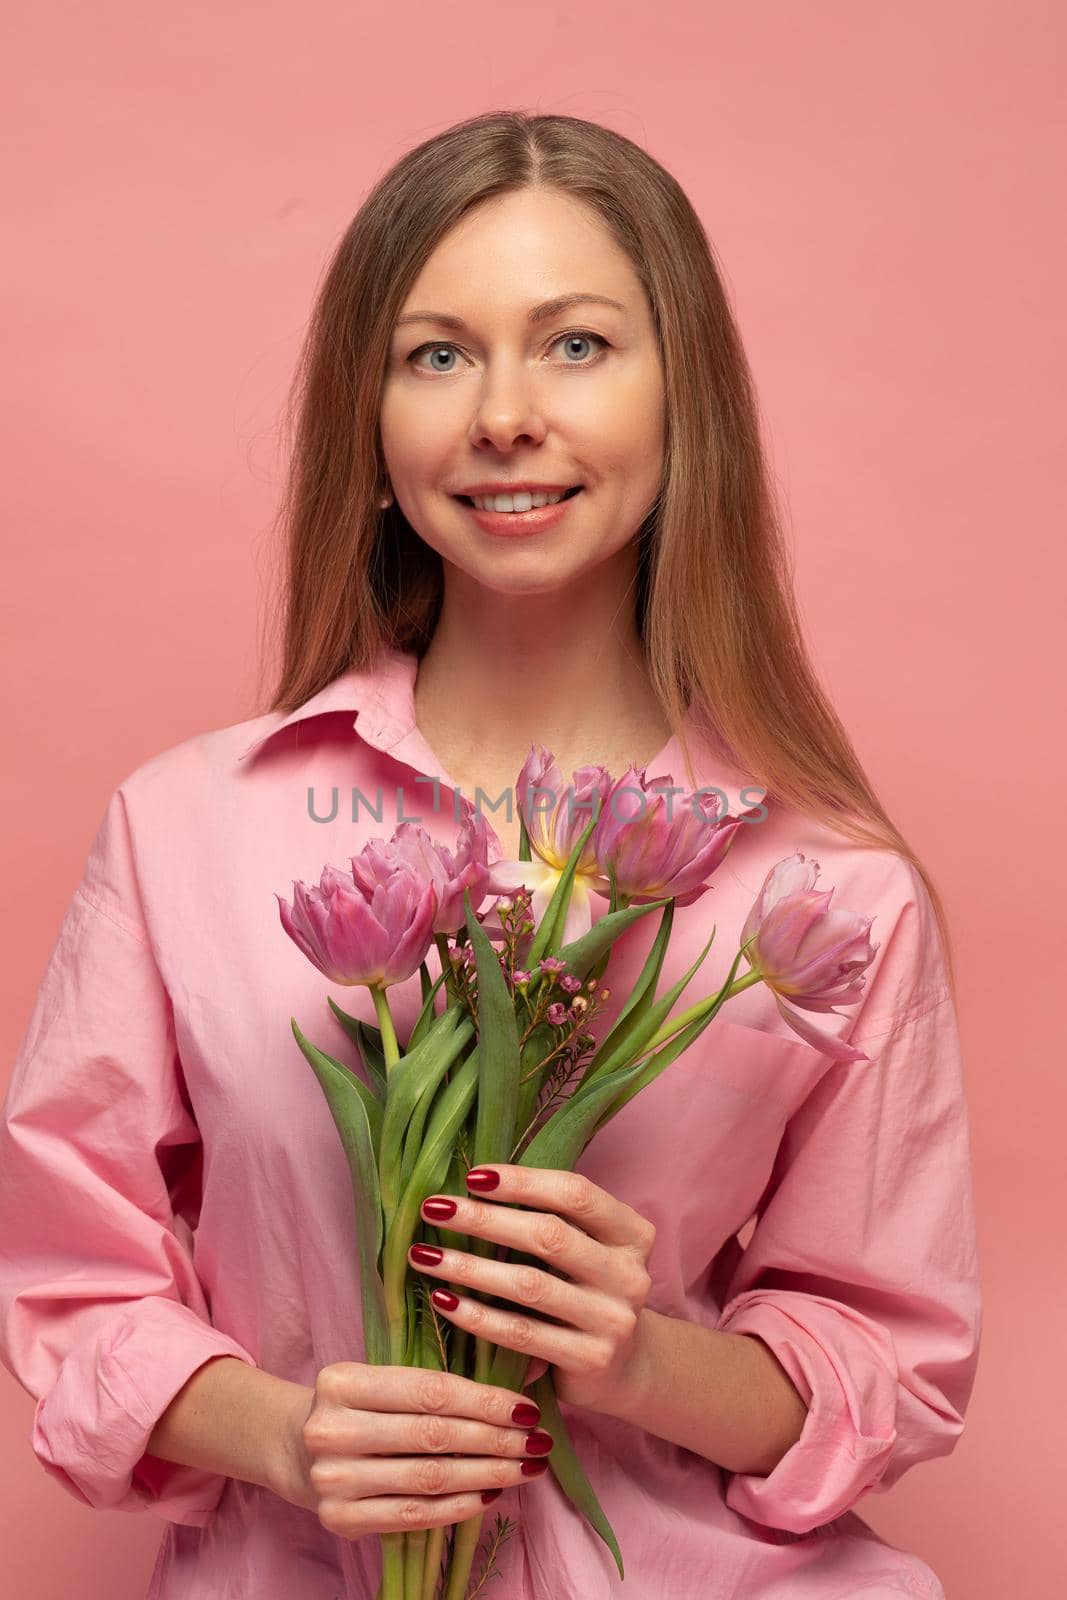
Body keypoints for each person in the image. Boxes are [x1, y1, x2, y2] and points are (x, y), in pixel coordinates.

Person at [0, 110, 980, 1599]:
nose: (504, 415)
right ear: (374, 426)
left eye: (576, 345)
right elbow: (64, 1278)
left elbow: (886, 1362)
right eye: (437, 354)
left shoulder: (834, 892)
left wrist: (641, 1357)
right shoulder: (183, 830)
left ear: (683, 403)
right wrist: (286, 1434)